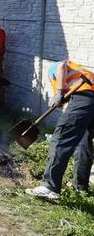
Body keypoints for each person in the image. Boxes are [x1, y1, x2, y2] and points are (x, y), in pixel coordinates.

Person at [26, 60, 94, 200]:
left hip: (83, 96)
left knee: (61, 138)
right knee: (83, 142)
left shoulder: (55, 70)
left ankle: (49, 187)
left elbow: (61, 65)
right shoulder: (77, 76)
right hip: (90, 99)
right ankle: (80, 187)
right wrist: (61, 98)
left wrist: (58, 92)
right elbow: (66, 101)